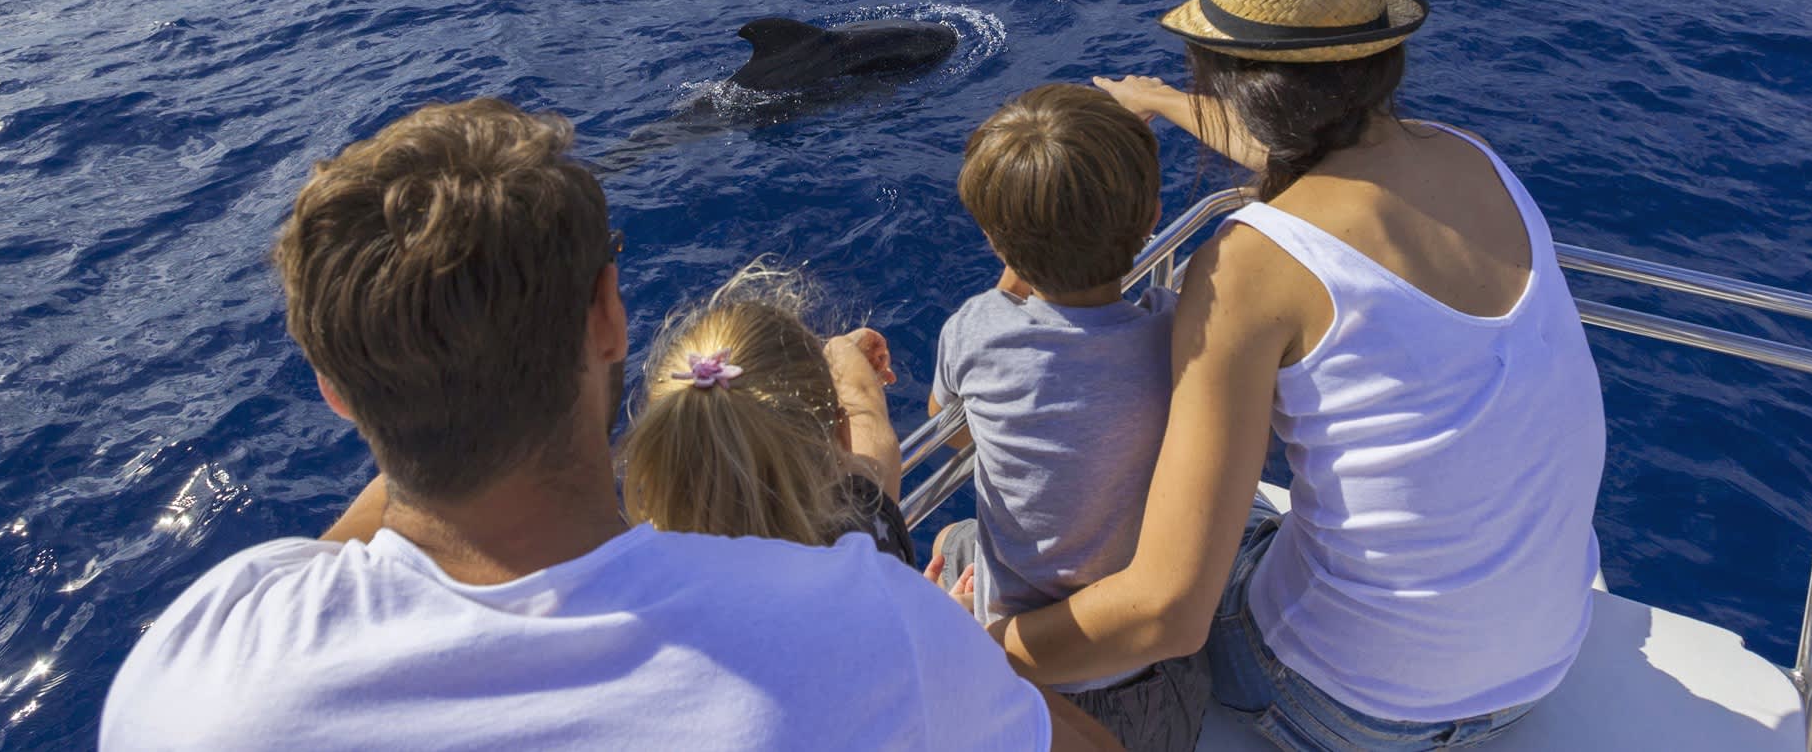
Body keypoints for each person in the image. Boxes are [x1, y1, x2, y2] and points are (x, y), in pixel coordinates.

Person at [100, 97, 1121, 752]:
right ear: (608, 319)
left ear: (332, 389)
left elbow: (340, 551)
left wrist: (404, 364)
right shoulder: (863, 629)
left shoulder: (197, 668)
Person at [990, 0, 1608, 752]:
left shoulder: (1251, 263)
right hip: (1536, 670)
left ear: (1224, 67)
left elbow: (1166, 616)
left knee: (1144, 542)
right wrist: (1168, 102)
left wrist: (966, 647)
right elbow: (1322, 154)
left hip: (1352, 708)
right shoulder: (1474, 162)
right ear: (1375, 53)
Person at [925, 83, 1212, 752]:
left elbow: (951, 432)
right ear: (1152, 217)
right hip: (1158, 680)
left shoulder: (974, 332)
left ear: (996, 243)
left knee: (948, 542)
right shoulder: (1177, 332)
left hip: (1026, 688)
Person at [622, 261, 915, 566]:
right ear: (841, 435)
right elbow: (866, 410)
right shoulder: (863, 538)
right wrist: (841, 349)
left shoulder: (640, 593)